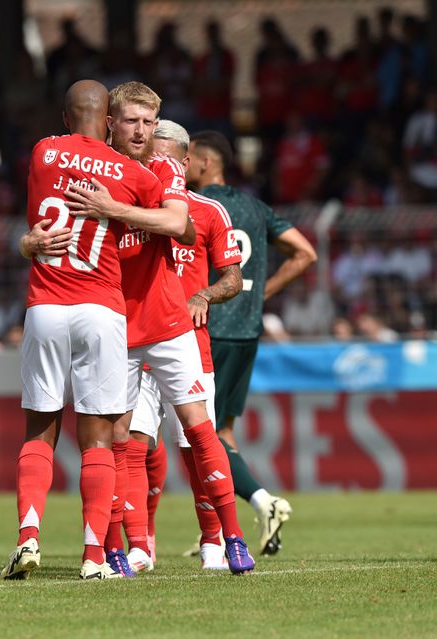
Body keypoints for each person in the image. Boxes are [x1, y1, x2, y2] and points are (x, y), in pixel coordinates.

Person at [65, 82, 254, 576]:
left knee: (199, 428)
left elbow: (178, 225)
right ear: (110, 122)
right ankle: (119, 549)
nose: (141, 132)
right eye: (131, 121)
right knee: (118, 439)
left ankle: (231, 538)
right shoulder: (92, 170)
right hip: (113, 323)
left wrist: (114, 211)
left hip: (169, 322)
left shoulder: (164, 168)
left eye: (149, 123)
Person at [1, 80, 174, 581]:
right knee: (97, 438)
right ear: (107, 121)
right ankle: (95, 556)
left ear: (64, 116)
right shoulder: (128, 171)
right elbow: (171, 218)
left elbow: (35, 220)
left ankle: (28, 536)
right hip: (101, 307)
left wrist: (28, 244)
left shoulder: (43, 152)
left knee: (39, 430)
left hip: (46, 304)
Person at [184, 129, 317, 556]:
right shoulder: (257, 208)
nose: (181, 167)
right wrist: (261, 294)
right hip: (246, 330)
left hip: (210, 324)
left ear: (205, 163)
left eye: (187, 159)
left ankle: (263, 501)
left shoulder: (197, 206)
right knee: (222, 431)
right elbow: (305, 253)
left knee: (200, 434)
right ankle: (227, 527)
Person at [126, 120, 244, 571]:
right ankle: (142, 542)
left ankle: (214, 540)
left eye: (156, 155)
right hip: (137, 341)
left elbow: (233, 278)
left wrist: (203, 294)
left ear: (179, 160)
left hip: (188, 344)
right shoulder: (129, 206)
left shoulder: (209, 212)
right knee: (136, 445)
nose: (147, 163)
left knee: (196, 447)